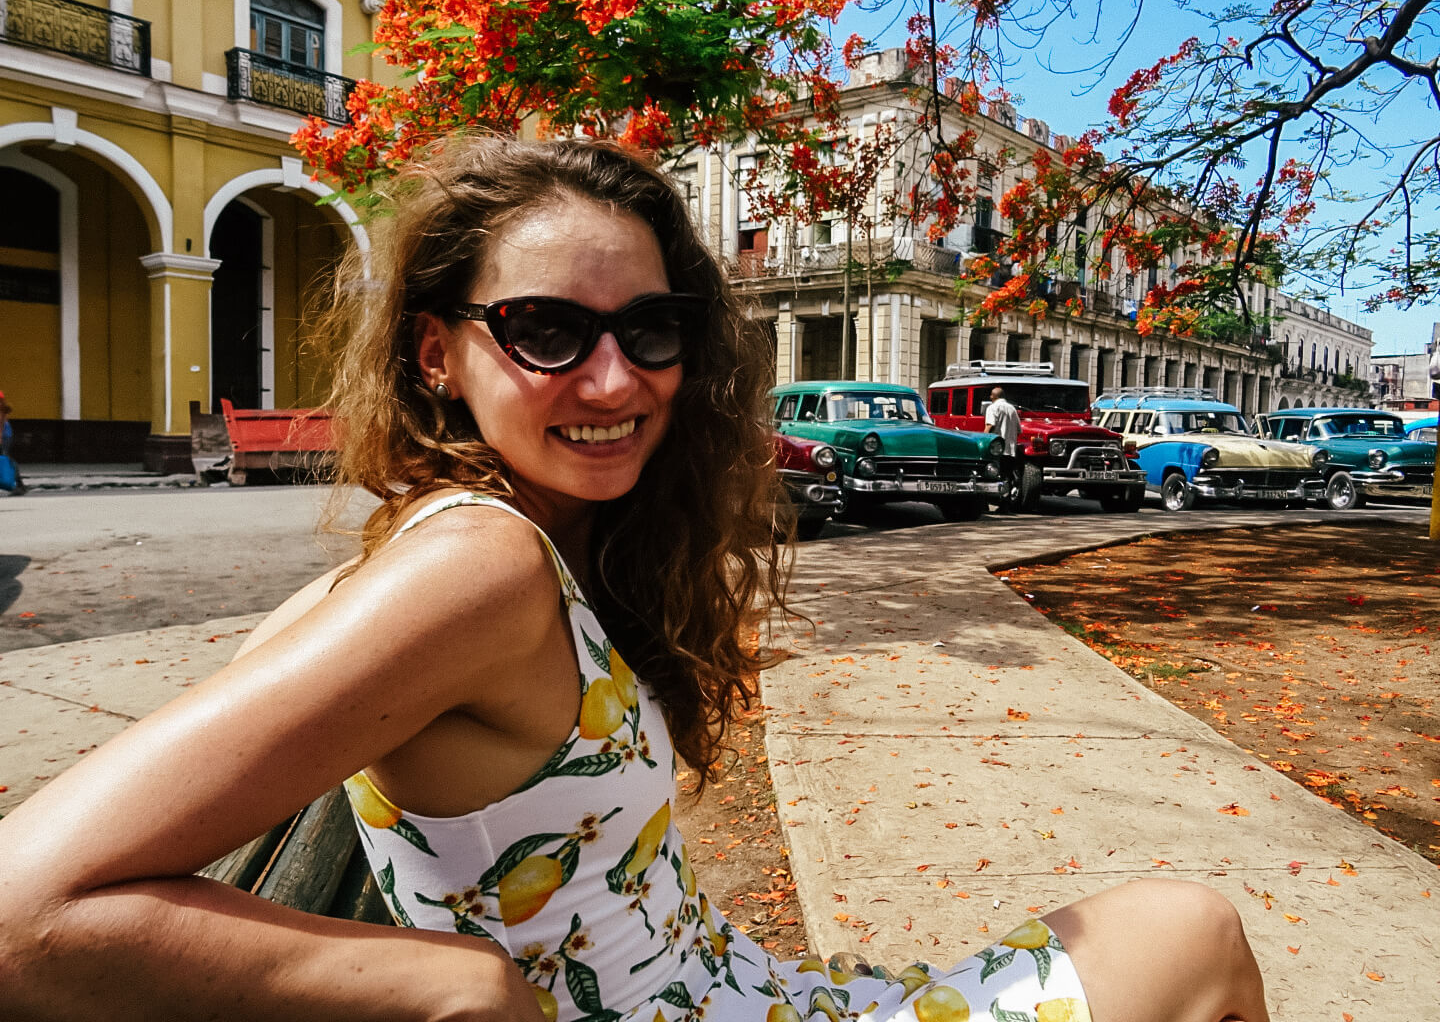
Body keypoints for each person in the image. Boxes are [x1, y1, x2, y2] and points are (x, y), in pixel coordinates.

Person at [0, 138, 1270, 1022]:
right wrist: (448, 987)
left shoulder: (469, 542)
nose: (614, 381)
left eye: (648, 329)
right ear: (439, 352)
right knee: (1191, 931)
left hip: (737, 991)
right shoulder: (476, 563)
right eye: (547, 330)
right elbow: (21, 916)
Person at [984, 385, 1021, 507]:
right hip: (1010, 450)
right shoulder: (1012, 409)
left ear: (994, 396)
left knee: (990, 476)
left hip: (996, 449)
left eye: (990, 395)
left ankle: (986, 503)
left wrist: (982, 440)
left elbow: (990, 426)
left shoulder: (992, 408)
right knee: (1006, 478)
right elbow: (1019, 430)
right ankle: (1005, 504)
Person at [0, 389, 27, 495]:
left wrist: (0, 438)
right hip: (5, 436)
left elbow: (1, 426)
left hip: (4, 437)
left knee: (6, 459)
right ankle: (20, 485)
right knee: (7, 459)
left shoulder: (1, 410)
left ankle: (20, 486)